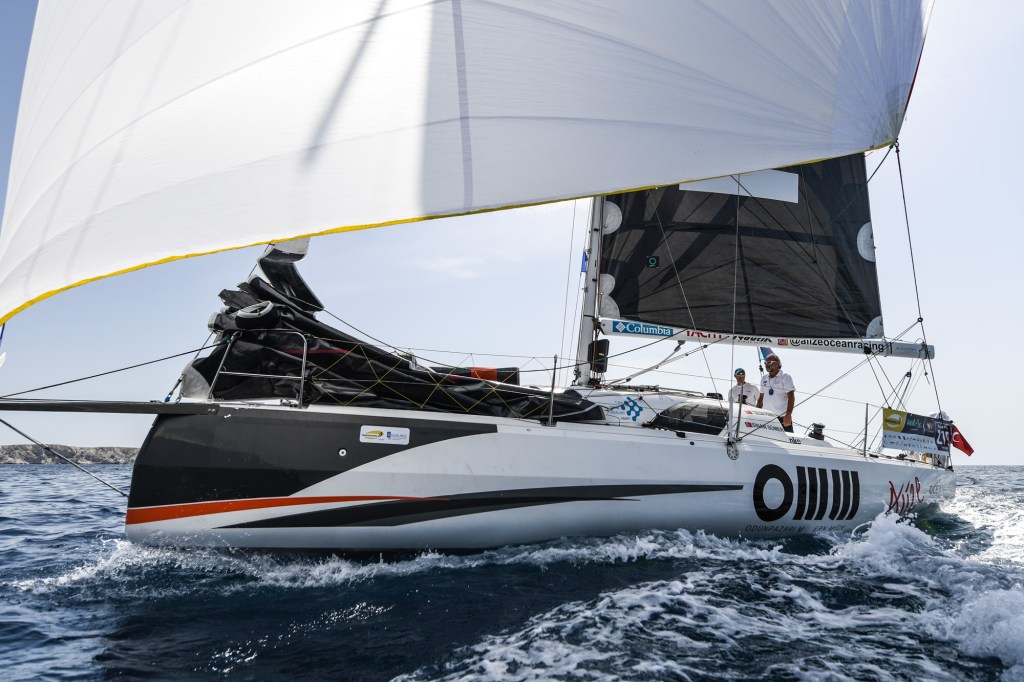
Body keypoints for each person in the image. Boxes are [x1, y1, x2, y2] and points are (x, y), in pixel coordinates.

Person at [756, 353, 795, 432]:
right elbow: (761, 398)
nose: (766, 365)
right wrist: (756, 414)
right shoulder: (764, 378)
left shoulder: (785, 377)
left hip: (782, 419)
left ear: (777, 364)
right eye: (765, 363)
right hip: (766, 418)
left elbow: (791, 397)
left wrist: (788, 414)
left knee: (787, 439)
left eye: (769, 362)